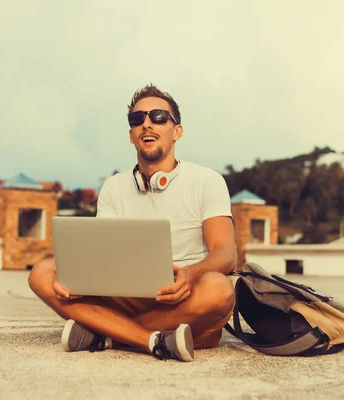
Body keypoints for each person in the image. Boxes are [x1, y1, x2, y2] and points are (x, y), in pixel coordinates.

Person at [28, 84, 237, 362]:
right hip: (125, 294)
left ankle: (107, 334)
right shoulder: (114, 186)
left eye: (159, 117)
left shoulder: (207, 181)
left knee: (219, 289)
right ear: (131, 135)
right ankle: (151, 340)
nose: (147, 124)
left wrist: (191, 274)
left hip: (183, 299)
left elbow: (226, 253)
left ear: (177, 131)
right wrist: (79, 275)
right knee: (42, 273)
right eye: (137, 120)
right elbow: (103, 251)